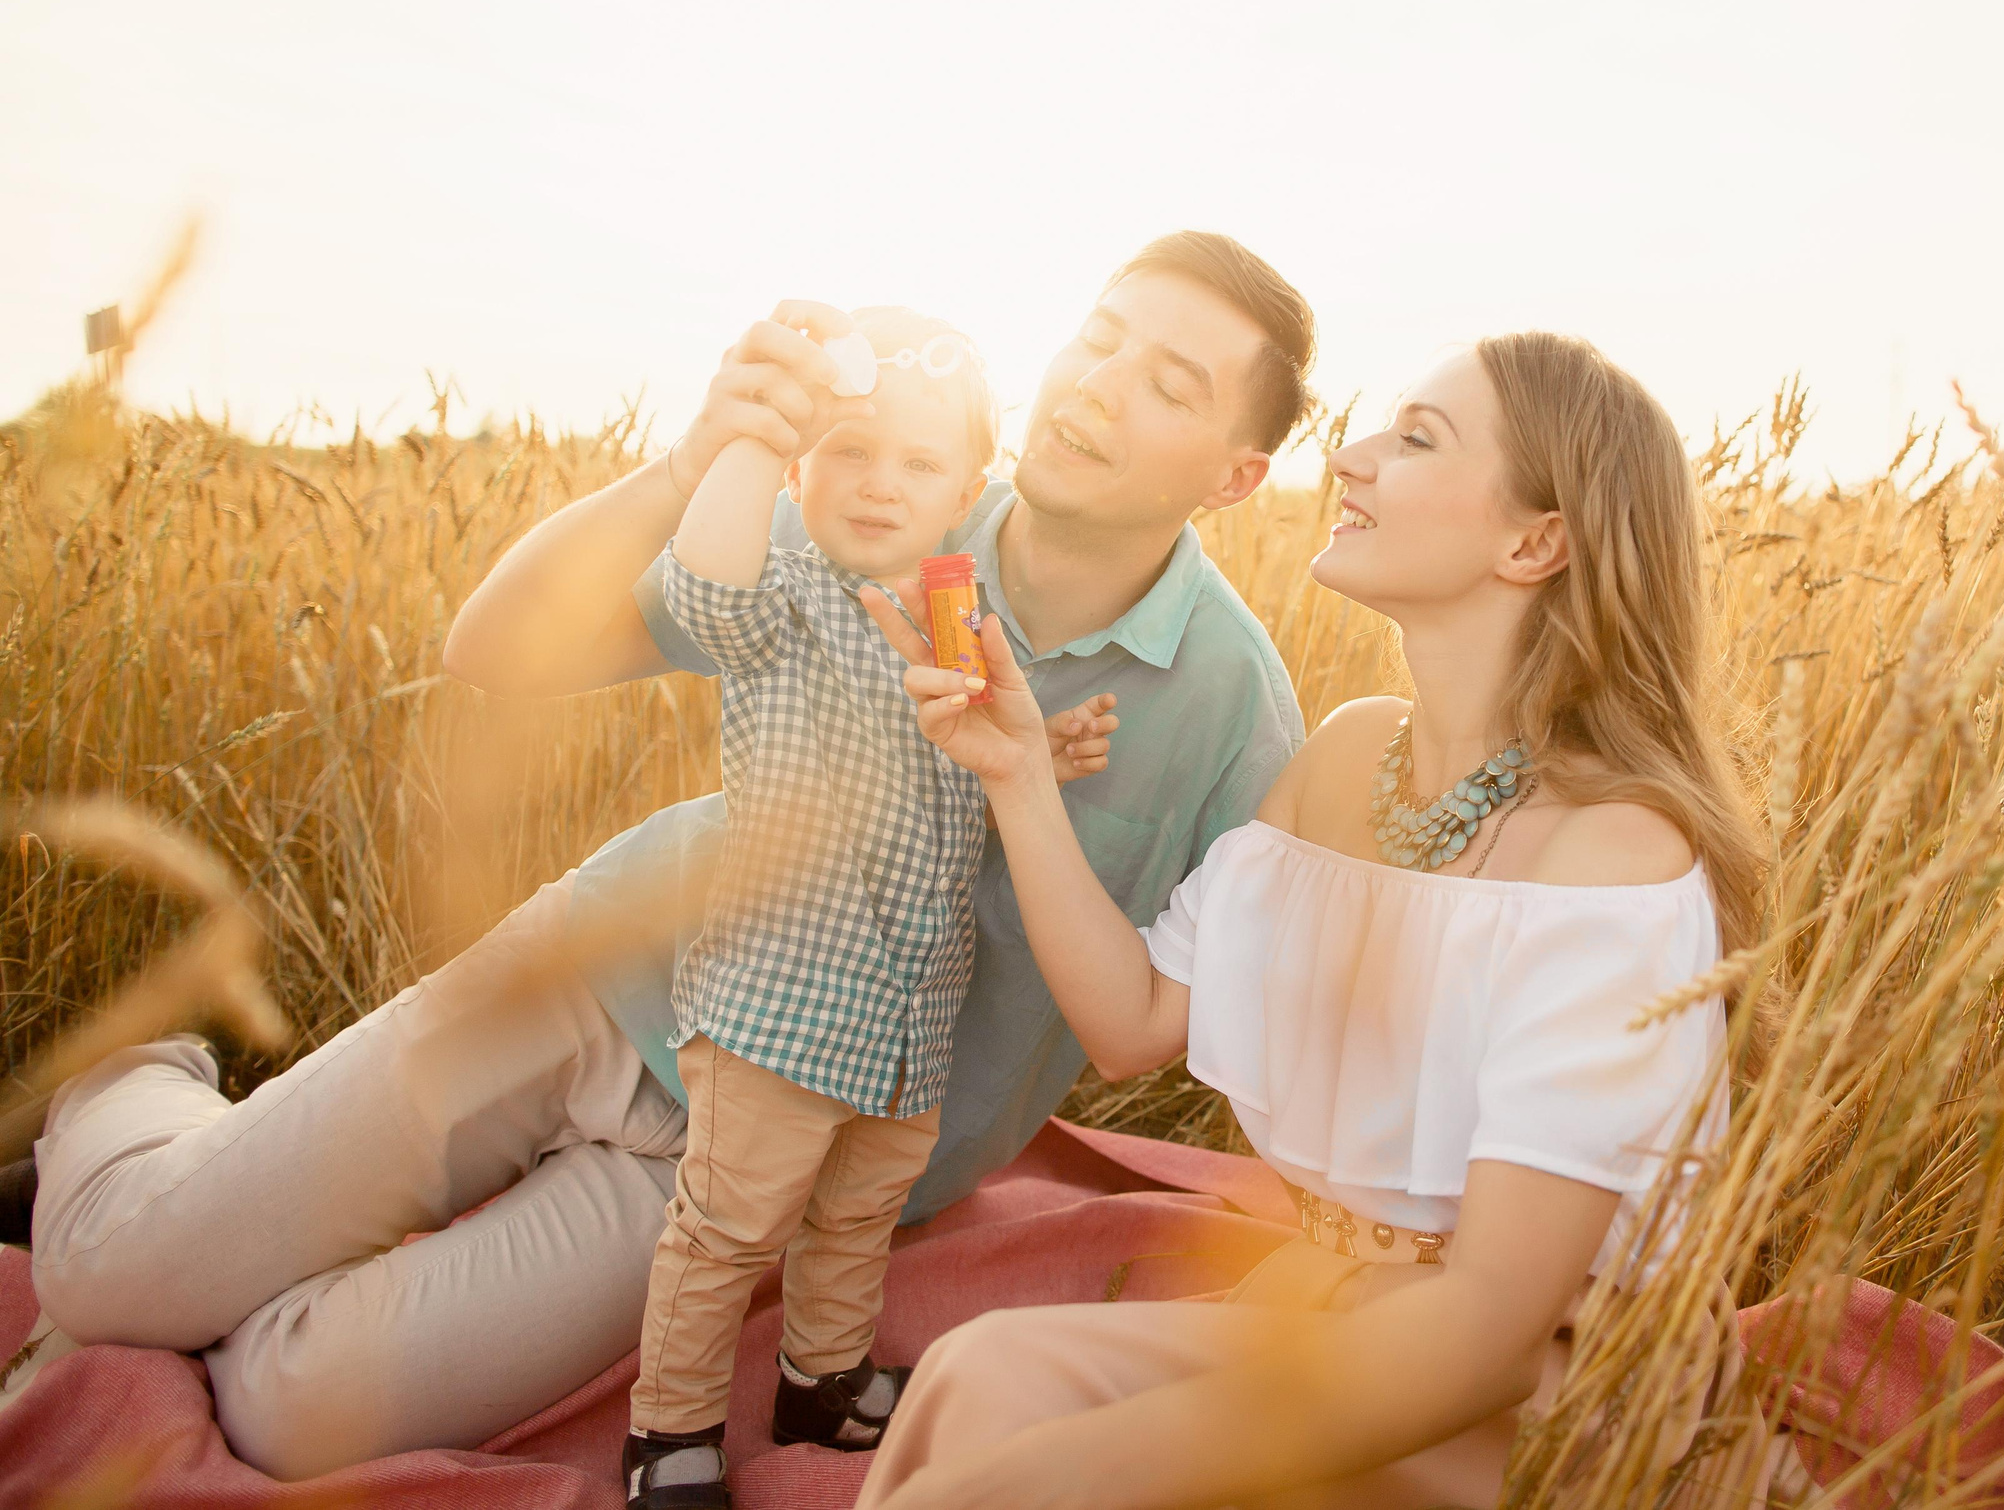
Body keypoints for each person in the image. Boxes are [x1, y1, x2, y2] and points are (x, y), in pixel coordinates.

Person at [12, 232, 1315, 1479]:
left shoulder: (1235, 714)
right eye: (1099, 335)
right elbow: (501, 651)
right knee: (105, 1272)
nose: (1099, 383)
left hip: (765, 1144)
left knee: (292, 1403)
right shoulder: (883, 495)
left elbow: (1161, 1024)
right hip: (605, 969)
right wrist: (694, 460)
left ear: (1235, 474)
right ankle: (147, 1076)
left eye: (1169, 380)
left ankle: (235, 1205)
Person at [849, 332, 1773, 1510]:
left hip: (1529, 1390)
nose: (1350, 457)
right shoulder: (1345, 758)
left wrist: (1073, 1475)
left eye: (1416, 439)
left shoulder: (1614, 853)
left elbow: (1490, 1323)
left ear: (1534, 541)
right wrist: (1018, 775)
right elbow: (1132, 1025)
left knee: (1018, 1444)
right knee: (984, 1376)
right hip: (1323, 1308)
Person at [626, 308, 1109, 1501]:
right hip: (783, 1002)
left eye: (919, 461)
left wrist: (1042, 743)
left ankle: (821, 1382)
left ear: (967, 489)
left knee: (853, 1222)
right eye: (848, 450)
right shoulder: (784, 593)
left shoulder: (961, 613)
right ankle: (669, 1435)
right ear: (800, 468)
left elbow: (973, 758)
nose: (880, 484)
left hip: (908, 1012)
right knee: (725, 1236)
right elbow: (706, 591)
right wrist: (749, 441)